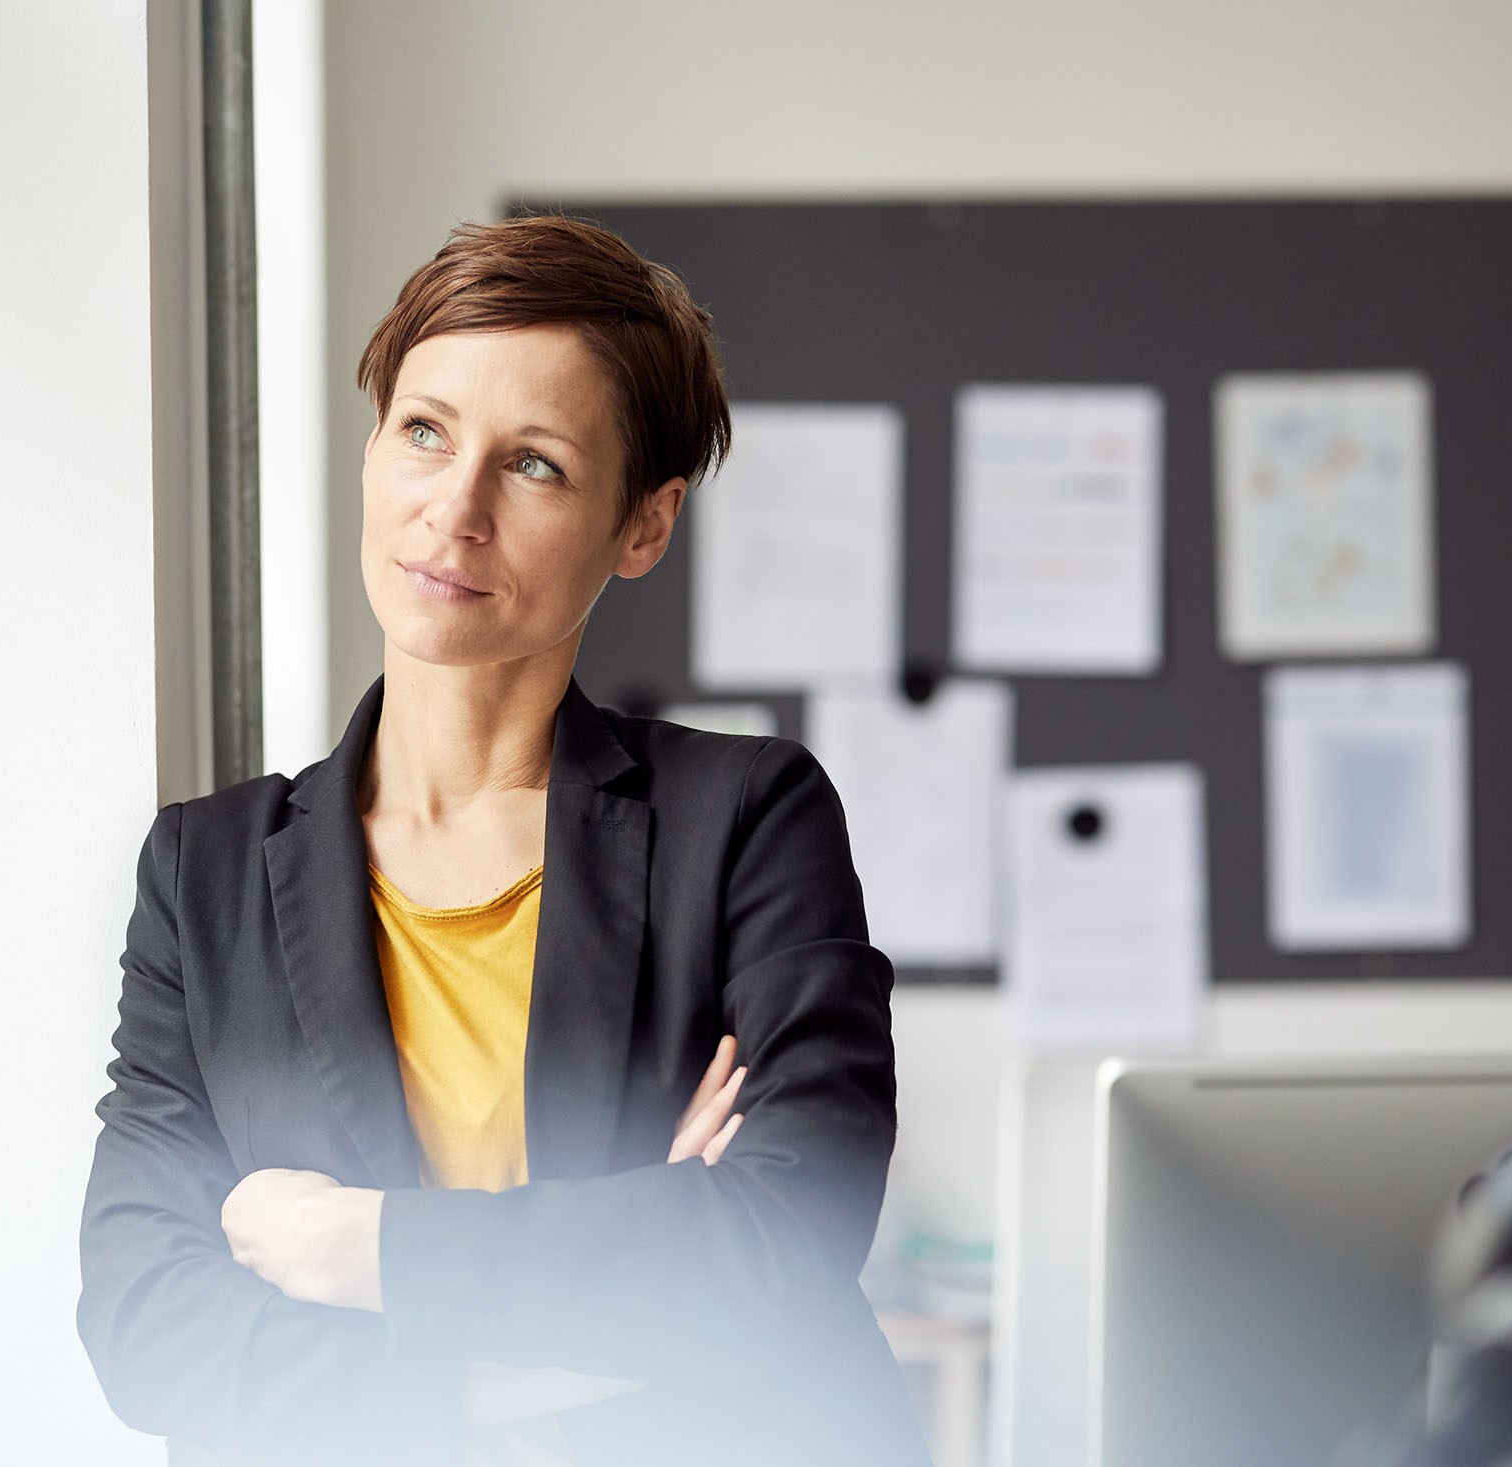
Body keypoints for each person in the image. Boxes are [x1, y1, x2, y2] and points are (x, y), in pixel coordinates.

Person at [78, 214, 922, 1466]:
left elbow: (784, 1234)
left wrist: (353, 1249)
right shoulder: (203, 875)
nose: (454, 510)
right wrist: (556, 1354)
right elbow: (144, 1322)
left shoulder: (745, 821)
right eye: (423, 432)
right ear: (372, 453)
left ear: (643, 525)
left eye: (535, 465)